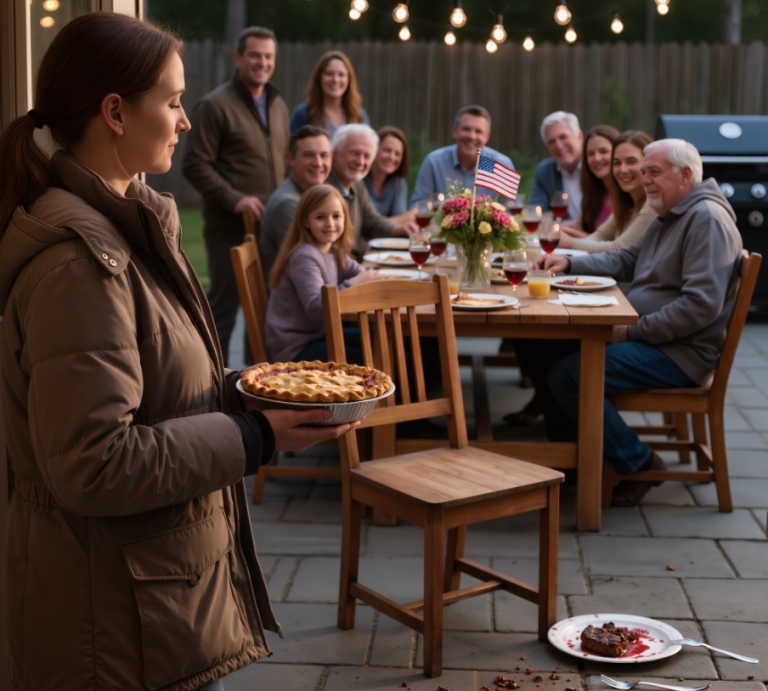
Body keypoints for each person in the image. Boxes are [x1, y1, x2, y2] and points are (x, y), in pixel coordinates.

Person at [0, 13, 356, 691]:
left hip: (156, 602)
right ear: (114, 112)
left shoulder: (133, 225)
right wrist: (253, 434)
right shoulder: (79, 266)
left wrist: (249, 390)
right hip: (114, 624)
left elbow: (158, 385)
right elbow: (95, 464)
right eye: (170, 101)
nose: (185, 120)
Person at [516, 139, 743, 506]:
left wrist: (631, 330)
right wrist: (570, 264)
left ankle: (639, 462)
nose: (645, 181)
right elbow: (626, 260)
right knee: (543, 345)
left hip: (679, 353)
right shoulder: (672, 211)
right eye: (644, 173)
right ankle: (572, 455)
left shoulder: (707, 220)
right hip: (656, 338)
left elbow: (700, 307)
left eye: (654, 172)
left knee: (569, 374)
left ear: (686, 175)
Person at [182, 26, 289, 365]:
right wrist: (234, 198)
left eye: (268, 56)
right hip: (228, 231)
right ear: (238, 57)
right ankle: (218, 388)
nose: (262, 62)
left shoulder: (278, 104)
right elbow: (194, 165)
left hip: (270, 232)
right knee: (222, 314)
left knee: (269, 314)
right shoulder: (213, 105)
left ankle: (266, 386)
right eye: (255, 55)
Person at [265, 185, 382, 363]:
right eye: (320, 217)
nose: (330, 223)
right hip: (295, 348)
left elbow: (359, 272)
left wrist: (365, 278)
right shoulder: (304, 257)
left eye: (336, 216)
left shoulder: (332, 251)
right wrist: (354, 283)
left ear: (344, 218)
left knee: (380, 338)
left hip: (318, 335)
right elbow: (316, 308)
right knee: (377, 357)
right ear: (305, 222)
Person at [328, 124, 418, 258]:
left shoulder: (356, 183)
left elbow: (372, 223)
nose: (360, 162)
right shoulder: (325, 189)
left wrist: (397, 229)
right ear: (335, 153)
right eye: (354, 153)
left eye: (366, 156)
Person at [560, 130, 657, 253]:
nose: (622, 169)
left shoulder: (653, 203)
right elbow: (599, 236)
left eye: (631, 161)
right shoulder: (624, 201)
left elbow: (619, 248)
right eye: (617, 163)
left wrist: (569, 243)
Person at [260, 125, 332, 279]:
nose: (318, 163)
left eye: (324, 155)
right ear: (290, 159)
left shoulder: (310, 197)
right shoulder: (287, 204)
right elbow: (308, 266)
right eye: (309, 155)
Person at [410, 105, 515, 205]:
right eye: (466, 129)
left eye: (478, 131)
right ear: (454, 131)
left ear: (487, 136)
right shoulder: (433, 162)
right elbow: (418, 206)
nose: (472, 136)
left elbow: (512, 210)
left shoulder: (502, 164)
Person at [289, 51, 371, 138]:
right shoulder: (303, 114)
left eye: (341, 74)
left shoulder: (359, 116)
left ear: (349, 79)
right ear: (319, 78)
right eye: (329, 74)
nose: (335, 79)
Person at [561, 124, 619, 234]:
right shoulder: (596, 193)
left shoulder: (627, 195)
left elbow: (618, 246)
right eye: (591, 154)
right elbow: (579, 224)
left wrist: (577, 237)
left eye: (603, 151)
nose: (596, 158)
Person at [529, 111, 583, 219]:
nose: (558, 146)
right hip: (564, 235)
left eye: (563, 137)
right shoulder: (545, 171)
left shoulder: (596, 165)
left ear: (579, 137)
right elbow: (536, 214)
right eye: (552, 141)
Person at [364, 125, 414, 221]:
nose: (392, 157)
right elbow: (361, 225)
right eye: (387, 150)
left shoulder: (399, 184)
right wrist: (404, 218)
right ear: (373, 150)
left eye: (397, 154)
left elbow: (403, 222)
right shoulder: (359, 180)